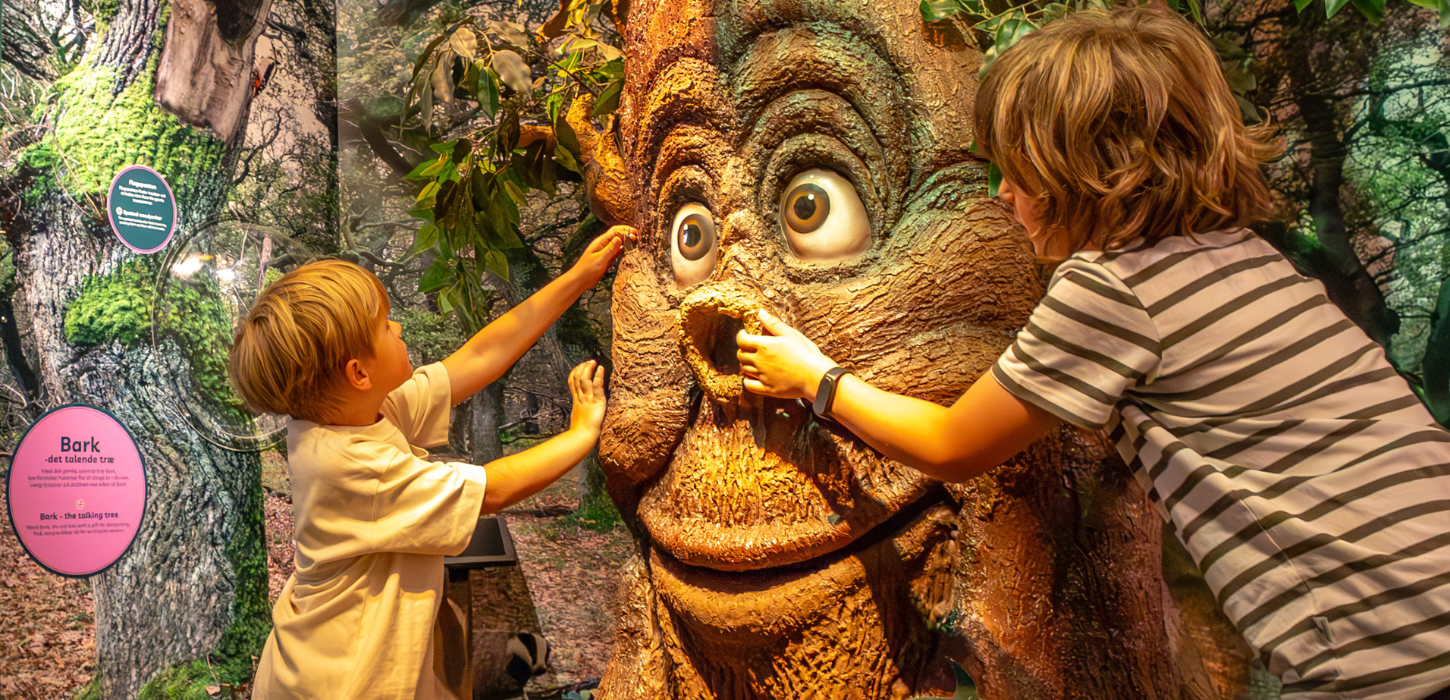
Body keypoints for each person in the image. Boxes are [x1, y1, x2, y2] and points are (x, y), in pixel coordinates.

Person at [736, 8, 1450, 700]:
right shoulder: (1245, 255)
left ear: (1087, 170)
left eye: (1019, 170)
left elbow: (952, 443)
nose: (1006, 193)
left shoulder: (1110, 289)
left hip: (1380, 644)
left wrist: (814, 378)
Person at [228, 225, 635, 700]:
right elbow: (494, 489)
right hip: (342, 683)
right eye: (385, 327)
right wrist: (581, 432)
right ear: (358, 373)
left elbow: (481, 356)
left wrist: (578, 277)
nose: (398, 328)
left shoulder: (359, 412)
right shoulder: (348, 462)